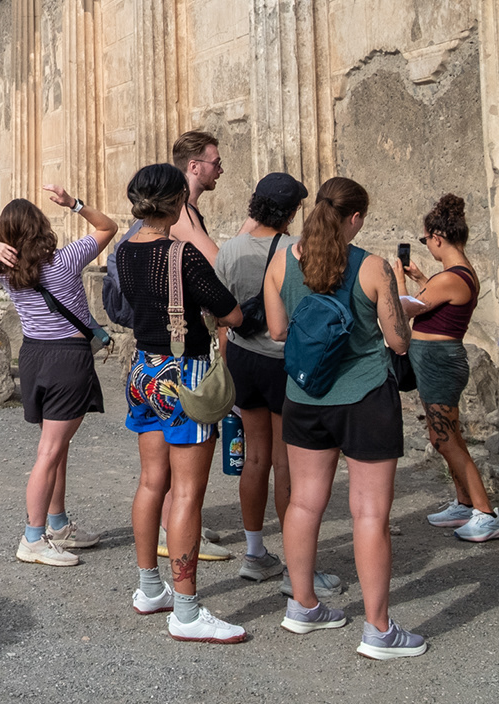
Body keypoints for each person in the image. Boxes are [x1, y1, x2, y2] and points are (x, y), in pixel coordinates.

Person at [263, 176, 427, 659]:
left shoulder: (281, 261)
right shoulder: (373, 266)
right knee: (370, 513)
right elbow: (398, 343)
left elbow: (276, 331)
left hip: (304, 395)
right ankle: (378, 629)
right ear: (354, 218)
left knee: (304, 503)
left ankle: (304, 605)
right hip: (365, 396)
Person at [114, 162, 248, 644]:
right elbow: (229, 310)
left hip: (143, 372)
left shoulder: (124, 251)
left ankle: (151, 587)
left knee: (152, 483)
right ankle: (188, 611)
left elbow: (132, 307)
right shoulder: (182, 256)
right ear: (176, 204)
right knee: (187, 493)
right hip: (184, 376)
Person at [0, 186, 118, 568]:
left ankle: (57, 525)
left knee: (57, 447)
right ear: (40, 228)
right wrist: (75, 204)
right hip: (66, 359)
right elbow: (108, 227)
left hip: (34, 354)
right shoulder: (65, 261)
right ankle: (32, 538)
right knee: (50, 451)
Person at [217, 172, 338, 592]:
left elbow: (218, 309)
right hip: (281, 360)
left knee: (254, 457)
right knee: (286, 463)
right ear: (290, 213)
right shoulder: (296, 251)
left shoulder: (229, 250)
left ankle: (254, 553)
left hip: (241, 357)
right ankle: (294, 565)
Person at [397, 193, 499, 542]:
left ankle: (486, 512)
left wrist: (398, 278)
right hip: (433, 362)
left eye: (425, 239)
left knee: (448, 440)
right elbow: (434, 301)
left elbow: (406, 309)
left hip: (439, 363)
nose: (426, 244)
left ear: (438, 238)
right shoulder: (450, 275)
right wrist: (420, 277)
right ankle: (464, 502)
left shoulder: (451, 277)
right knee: (442, 437)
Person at [169, 130, 223, 265]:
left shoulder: (185, 207)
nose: (220, 170)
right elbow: (219, 264)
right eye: (216, 163)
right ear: (194, 167)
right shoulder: (181, 213)